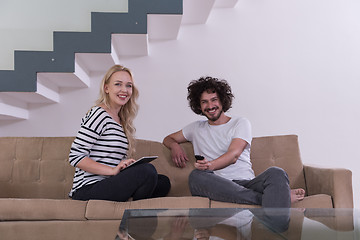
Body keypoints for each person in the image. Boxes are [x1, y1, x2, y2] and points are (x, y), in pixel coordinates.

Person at [163, 76, 304, 207]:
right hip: (217, 186)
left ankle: (273, 215)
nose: (210, 106)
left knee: (276, 173)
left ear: (222, 101)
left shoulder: (240, 123)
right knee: (196, 176)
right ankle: (276, 199)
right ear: (199, 106)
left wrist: (209, 166)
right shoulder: (194, 128)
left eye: (214, 100)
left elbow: (233, 155)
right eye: (204, 102)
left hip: (246, 183)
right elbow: (168, 139)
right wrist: (175, 146)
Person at [69, 64, 170, 201]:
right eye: (118, 84)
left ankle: (132, 208)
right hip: (88, 188)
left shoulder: (121, 120)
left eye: (129, 85)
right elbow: (76, 156)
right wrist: (111, 171)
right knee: (148, 171)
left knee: (163, 182)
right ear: (106, 88)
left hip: (110, 182)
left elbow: (109, 157)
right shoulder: (99, 114)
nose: (124, 90)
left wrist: (123, 165)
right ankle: (134, 214)